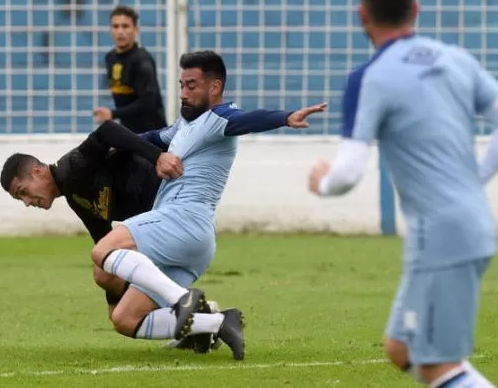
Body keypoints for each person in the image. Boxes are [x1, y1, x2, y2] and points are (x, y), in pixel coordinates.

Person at [307, 0, 498, 387]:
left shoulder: (368, 77)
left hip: (440, 238)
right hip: (469, 223)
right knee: (402, 348)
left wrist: (320, 179)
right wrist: (472, 182)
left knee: (438, 366)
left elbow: (346, 175)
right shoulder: (456, 58)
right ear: (416, 9)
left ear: (362, 15)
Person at [89, 50, 328, 361]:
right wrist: (112, 143)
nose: (184, 93)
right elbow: (151, 138)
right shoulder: (184, 126)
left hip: (180, 220)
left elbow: (248, 120)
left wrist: (284, 117)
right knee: (124, 320)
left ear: (214, 88)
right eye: (182, 85)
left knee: (101, 252)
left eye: (192, 85)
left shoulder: (220, 118)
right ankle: (214, 322)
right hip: (195, 241)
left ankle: (180, 299)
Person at [0, 120, 222, 354]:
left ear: (37, 171)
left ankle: (196, 312)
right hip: (162, 227)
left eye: (23, 192)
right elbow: (105, 245)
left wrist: (157, 157)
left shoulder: (74, 166)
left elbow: (107, 130)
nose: (26, 202)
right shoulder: (75, 195)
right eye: (19, 199)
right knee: (115, 300)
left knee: (107, 277)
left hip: (172, 215)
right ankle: (201, 324)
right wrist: (113, 300)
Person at [93, 5, 167, 133]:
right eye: (115, 26)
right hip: (129, 133)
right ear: (110, 30)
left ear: (135, 30)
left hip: (152, 134)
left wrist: (113, 113)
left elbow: (148, 102)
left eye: (125, 26)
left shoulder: (142, 60)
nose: (120, 31)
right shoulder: (110, 58)